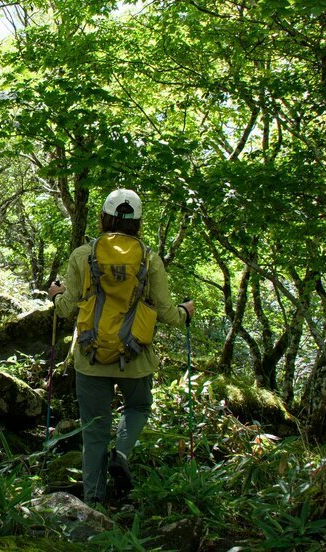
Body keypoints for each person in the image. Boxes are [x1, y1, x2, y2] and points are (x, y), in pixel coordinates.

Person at [48, 188, 195, 505]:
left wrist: (55, 294)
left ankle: (94, 502)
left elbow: (66, 309)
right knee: (139, 407)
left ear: (103, 217)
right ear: (138, 223)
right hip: (136, 355)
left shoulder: (82, 256)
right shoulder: (149, 259)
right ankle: (123, 454)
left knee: (95, 431)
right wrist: (186, 312)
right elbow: (168, 314)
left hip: (91, 356)